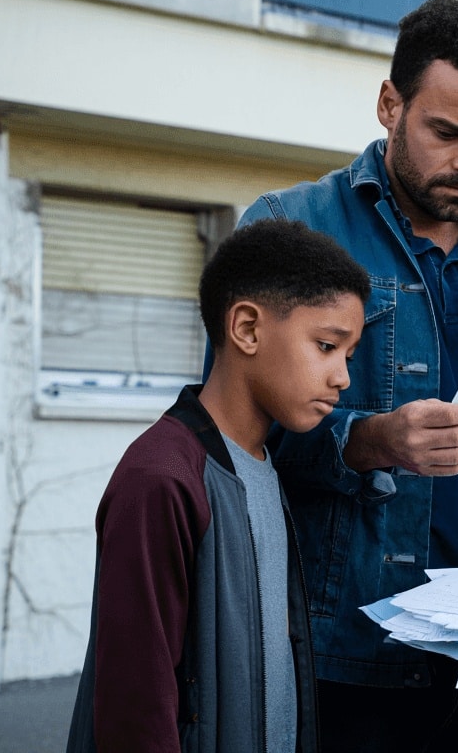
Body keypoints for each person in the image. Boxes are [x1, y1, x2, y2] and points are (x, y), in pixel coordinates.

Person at [231, 0, 458, 752]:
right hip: (352, 653)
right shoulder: (288, 231)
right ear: (390, 104)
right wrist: (368, 442)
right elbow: (227, 443)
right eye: (448, 132)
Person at [65, 218, 372, 753]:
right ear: (247, 329)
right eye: (326, 345)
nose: (342, 376)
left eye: (347, 355)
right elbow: (133, 702)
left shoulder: (264, 465)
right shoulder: (161, 478)